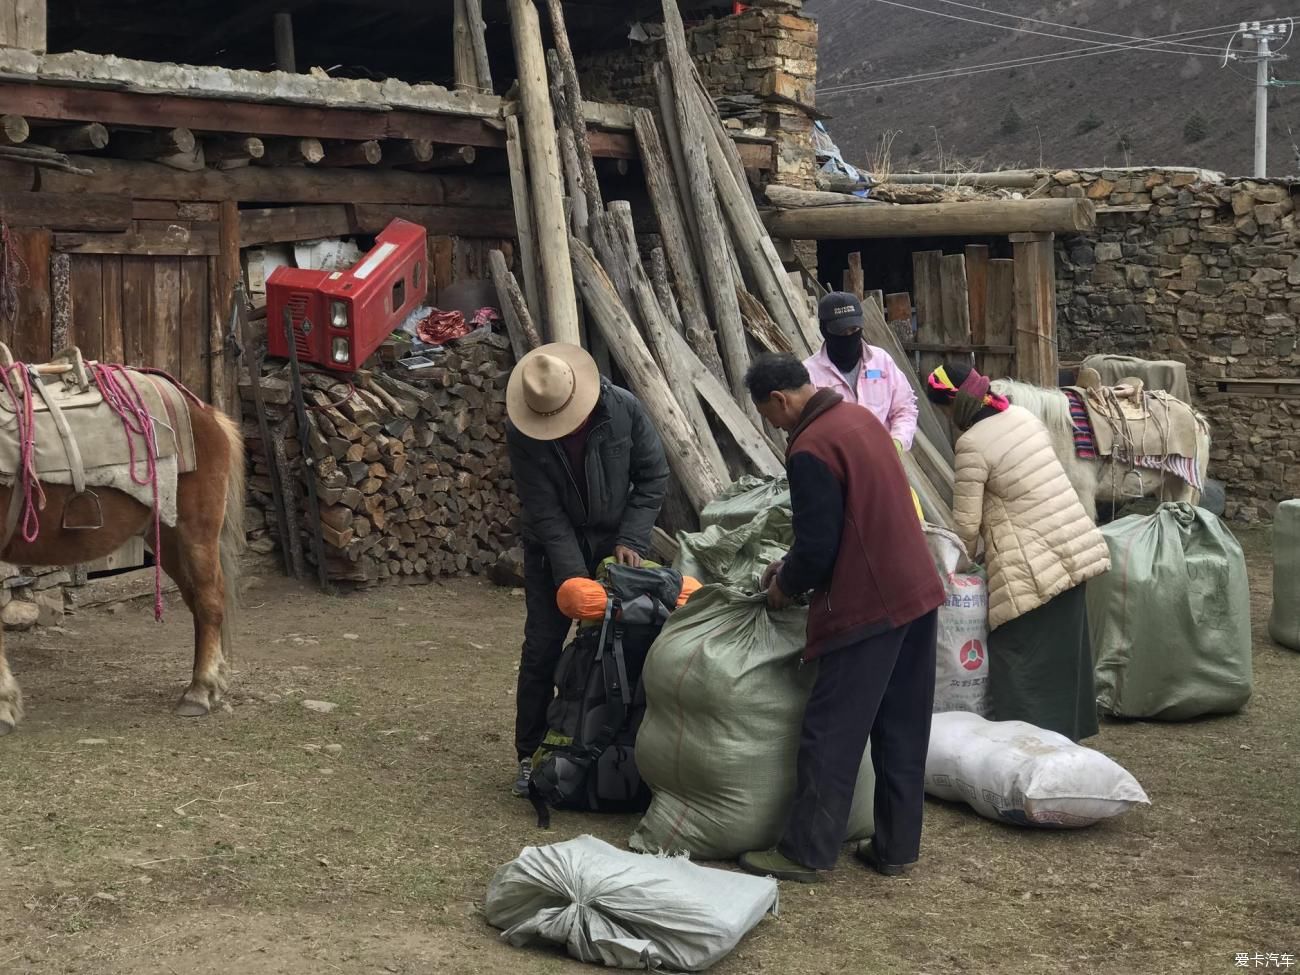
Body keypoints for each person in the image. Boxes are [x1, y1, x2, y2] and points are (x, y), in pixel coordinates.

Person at [736, 354, 944, 883]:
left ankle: (806, 853)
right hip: (916, 588)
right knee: (902, 725)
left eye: (769, 415)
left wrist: (784, 584)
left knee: (831, 730)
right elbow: (855, 515)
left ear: (781, 400)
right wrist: (794, 562)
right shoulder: (859, 420)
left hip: (868, 603)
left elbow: (819, 547)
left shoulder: (811, 448)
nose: (772, 425)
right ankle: (897, 848)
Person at [505, 344, 669, 796]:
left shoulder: (624, 409)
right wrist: (575, 581)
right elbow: (544, 511)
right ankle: (529, 753)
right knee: (542, 648)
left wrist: (631, 540)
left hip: (615, 540)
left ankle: (619, 746)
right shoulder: (522, 432)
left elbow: (654, 477)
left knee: (625, 642)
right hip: (550, 546)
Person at [925, 362, 1109, 742]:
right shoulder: (1022, 417)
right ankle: (1068, 737)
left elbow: (965, 527)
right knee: (1063, 653)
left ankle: (1027, 746)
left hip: (1030, 563)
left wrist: (954, 567)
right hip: (1072, 546)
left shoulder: (972, 444)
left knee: (1015, 655)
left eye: (943, 410)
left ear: (954, 405)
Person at [805, 291, 923, 520]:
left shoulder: (881, 361)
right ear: (824, 330)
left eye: (853, 330)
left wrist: (897, 442)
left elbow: (905, 407)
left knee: (899, 526)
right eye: (840, 332)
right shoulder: (809, 373)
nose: (849, 336)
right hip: (837, 476)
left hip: (885, 468)